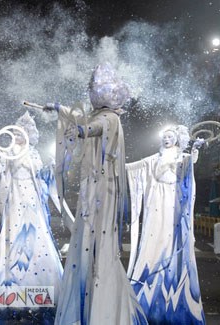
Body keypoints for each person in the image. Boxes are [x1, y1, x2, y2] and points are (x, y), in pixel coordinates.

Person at [44, 63, 147, 324]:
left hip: (104, 189)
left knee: (98, 239)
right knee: (87, 235)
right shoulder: (95, 114)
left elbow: (95, 127)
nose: (90, 93)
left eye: (94, 89)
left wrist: (81, 131)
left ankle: (101, 305)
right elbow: (82, 119)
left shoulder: (110, 117)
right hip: (91, 188)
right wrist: (59, 109)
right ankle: (87, 294)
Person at [0, 111, 64, 324]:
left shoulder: (34, 154)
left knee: (36, 235)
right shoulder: (11, 150)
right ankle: (13, 290)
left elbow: (41, 177)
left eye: (26, 133)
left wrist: (50, 168)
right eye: (19, 133)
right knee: (14, 235)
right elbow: (0, 166)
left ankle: (38, 292)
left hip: (32, 197)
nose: (22, 137)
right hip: (16, 196)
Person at [126, 126, 206, 324]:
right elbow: (133, 167)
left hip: (172, 202)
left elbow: (190, 164)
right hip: (156, 204)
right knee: (154, 239)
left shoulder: (181, 156)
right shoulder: (154, 158)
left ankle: (173, 291)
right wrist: (115, 162)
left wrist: (195, 149)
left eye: (171, 136)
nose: (167, 139)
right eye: (165, 136)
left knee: (171, 239)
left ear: (177, 139)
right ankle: (148, 289)